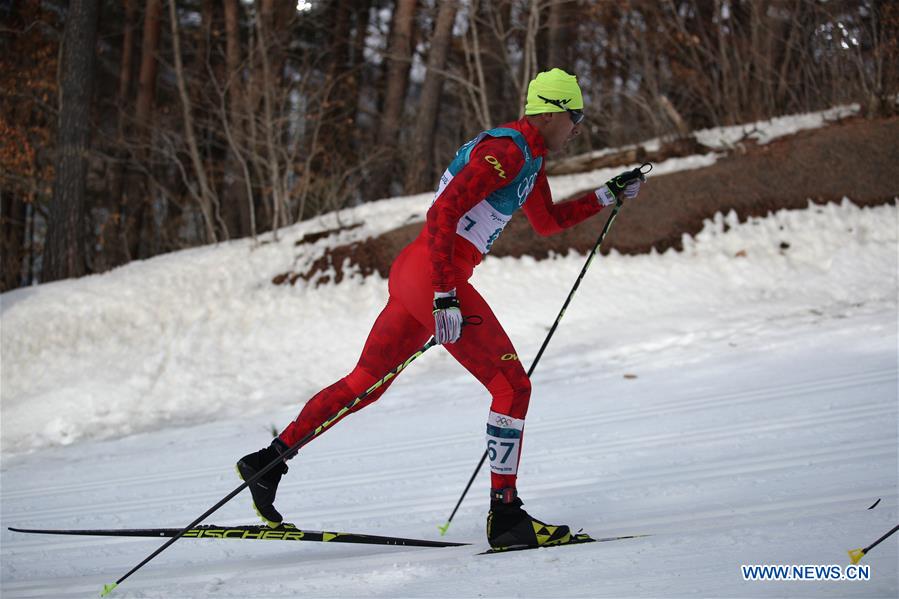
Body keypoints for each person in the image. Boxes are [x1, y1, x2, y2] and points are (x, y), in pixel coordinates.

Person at [237, 68, 643, 550]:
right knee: (511, 385)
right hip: (433, 275)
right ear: (554, 111)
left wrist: (607, 195)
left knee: (364, 384)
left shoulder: (530, 159)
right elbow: (443, 211)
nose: (578, 127)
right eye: (576, 116)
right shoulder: (507, 151)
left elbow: (548, 223)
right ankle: (507, 516)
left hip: (418, 273)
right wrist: (445, 292)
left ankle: (268, 461)